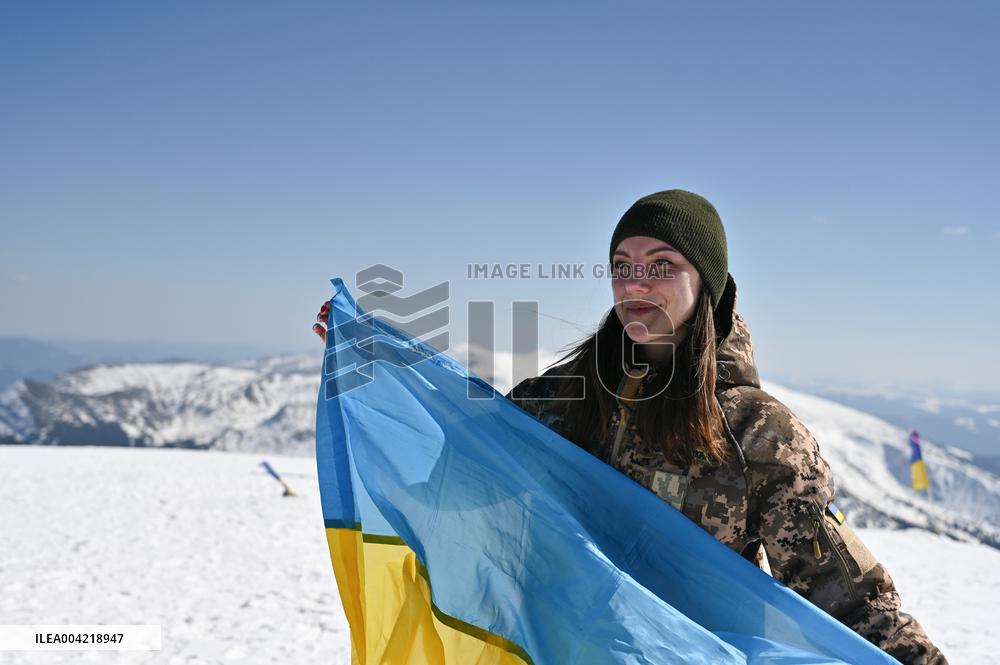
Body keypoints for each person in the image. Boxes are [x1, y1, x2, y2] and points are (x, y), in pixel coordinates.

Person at [312, 189, 947, 664]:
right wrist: (374, 366)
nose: (635, 282)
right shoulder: (562, 397)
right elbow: (464, 476)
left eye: (662, 264)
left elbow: (851, 599)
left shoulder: (761, 435)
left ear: (709, 285)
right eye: (623, 263)